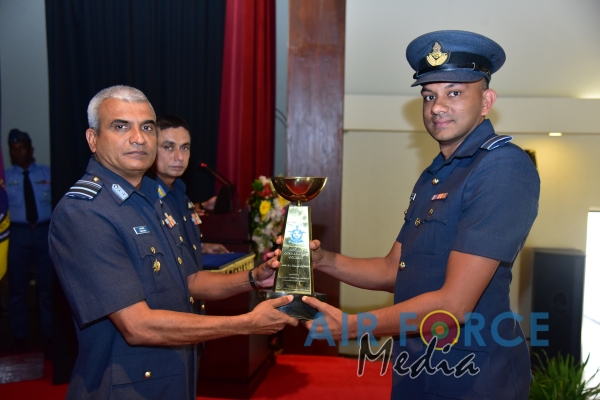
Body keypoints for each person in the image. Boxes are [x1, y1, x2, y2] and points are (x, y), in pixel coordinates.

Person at [299, 31, 540, 399]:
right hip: (417, 364)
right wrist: (321, 260)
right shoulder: (436, 174)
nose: (437, 107)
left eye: (454, 93)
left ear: (486, 101)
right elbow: (391, 269)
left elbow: (454, 305)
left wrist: (353, 325)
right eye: (429, 96)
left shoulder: (502, 167)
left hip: (472, 377)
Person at [49, 85, 297, 400]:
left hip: (176, 375)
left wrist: (253, 278)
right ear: (93, 139)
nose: (138, 138)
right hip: (126, 389)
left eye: (147, 127)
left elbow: (189, 281)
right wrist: (246, 323)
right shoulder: (85, 211)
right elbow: (137, 326)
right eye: (121, 126)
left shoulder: (153, 199)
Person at [152, 114, 228, 258]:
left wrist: (202, 247)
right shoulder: (147, 198)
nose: (180, 157)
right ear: (150, 149)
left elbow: (180, 240)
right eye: (169, 147)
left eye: (184, 147)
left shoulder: (180, 191)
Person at [5, 128, 52, 353]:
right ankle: (20, 336)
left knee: (48, 287)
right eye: (14, 149)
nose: (19, 152)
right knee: (17, 288)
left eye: (22, 148)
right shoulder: (5, 178)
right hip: (18, 234)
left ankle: (50, 334)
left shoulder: (47, 173)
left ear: (31, 149)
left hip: (44, 232)